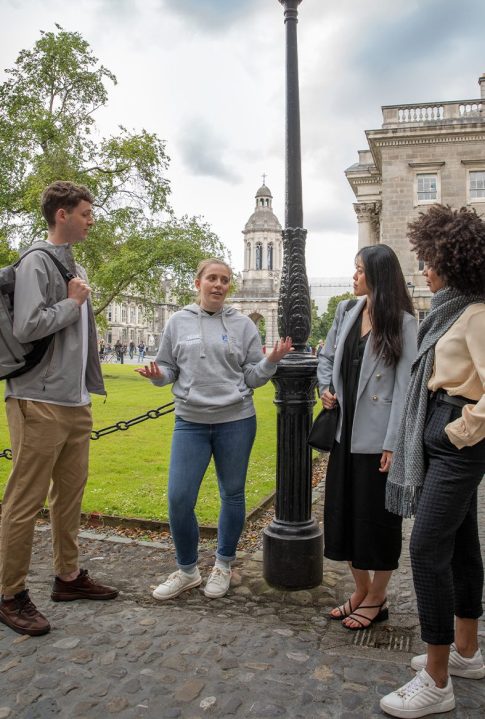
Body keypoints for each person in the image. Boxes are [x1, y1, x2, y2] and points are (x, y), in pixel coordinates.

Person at [0, 181, 118, 638]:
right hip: (38, 400)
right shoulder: (35, 261)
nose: (91, 220)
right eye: (86, 213)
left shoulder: (76, 263)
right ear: (62, 214)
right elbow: (29, 325)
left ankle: (67, 577)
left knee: (69, 497)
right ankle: (10, 595)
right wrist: (73, 303)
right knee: (24, 500)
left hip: (74, 402)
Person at [380, 205, 485, 718]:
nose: (424, 268)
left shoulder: (477, 315)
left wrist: (459, 430)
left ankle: (437, 680)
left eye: (429, 259)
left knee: (425, 549)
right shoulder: (453, 311)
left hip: (457, 439)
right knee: (462, 546)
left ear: (452, 260)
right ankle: (465, 651)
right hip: (443, 434)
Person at [136, 258, 291, 601]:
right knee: (179, 498)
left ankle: (223, 564)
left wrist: (270, 361)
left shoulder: (243, 325)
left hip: (235, 420)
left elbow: (252, 377)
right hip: (190, 421)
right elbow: (167, 368)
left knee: (232, 494)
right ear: (198, 283)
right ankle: (188, 570)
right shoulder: (178, 322)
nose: (218, 285)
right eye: (212, 278)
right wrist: (157, 376)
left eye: (224, 280)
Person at [317, 244, 416, 630]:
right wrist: (325, 387)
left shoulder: (403, 322)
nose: (354, 276)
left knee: (377, 521)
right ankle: (360, 590)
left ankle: (377, 597)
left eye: (359, 270)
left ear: (377, 275)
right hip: (345, 432)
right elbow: (326, 358)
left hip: (378, 441)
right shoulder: (346, 311)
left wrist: (394, 441)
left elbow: (407, 388)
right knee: (341, 517)